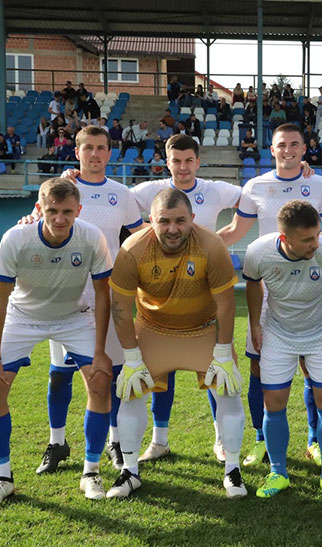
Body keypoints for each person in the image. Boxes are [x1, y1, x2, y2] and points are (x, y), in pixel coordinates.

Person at [0, 178, 114, 509]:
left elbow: (102, 294)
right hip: (22, 317)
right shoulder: (16, 239)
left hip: (73, 316)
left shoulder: (91, 237)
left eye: (67, 211)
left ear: (78, 210)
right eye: (51, 210)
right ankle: (3, 478)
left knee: (99, 381)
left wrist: (99, 353)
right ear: (39, 209)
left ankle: (91, 472)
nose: (59, 218)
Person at [107, 188, 246, 499]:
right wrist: (130, 357)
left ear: (193, 219)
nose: (172, 229)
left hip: (203, 330)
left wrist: (223, 352)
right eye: (164, 221)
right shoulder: (132, 249)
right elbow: (120, 307)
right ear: (150, 220)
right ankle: (129, 471)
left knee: (230, 390)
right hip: (153, 330)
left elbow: (225, 304)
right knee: (131, 393)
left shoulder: (212, 246)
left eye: (180, 221)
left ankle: (233, 469)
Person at [22, 126, 145, 476]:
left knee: (113, 372)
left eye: (101, 148)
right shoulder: (62, 190)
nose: (94, 154)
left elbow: (140, 236)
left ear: (110, 153)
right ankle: (57, 442)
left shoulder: (122, 194)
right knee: (61, 374)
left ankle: (116, 441)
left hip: (110, 296)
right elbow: (37, 222)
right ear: (77, 152)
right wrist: (28, 220)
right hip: (65, 298)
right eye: (88, 147)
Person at [218, 123, 322, 468]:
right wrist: (201, 244)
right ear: (272, 149)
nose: (288, 150)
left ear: (304, 149)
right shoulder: (256, 186)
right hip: (267, 289)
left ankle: (314, 439)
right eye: (281, 144)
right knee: (259, 367)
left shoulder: (319, 185)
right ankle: (261, 438)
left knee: (311, 368)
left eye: (294, 144)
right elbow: (235, 230)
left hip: (310, 290)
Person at [129, 134, 242, 463]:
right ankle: (159, 439)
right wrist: (72, 176)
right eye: (176, 161)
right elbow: (115, 200)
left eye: (188, 160)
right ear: (167, 162)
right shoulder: (151, 192)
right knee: (162, 373)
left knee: (214, 369)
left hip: (204, 296)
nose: (183, 167)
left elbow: (253, 200)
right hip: (161, 296)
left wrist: (221, 240)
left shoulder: (215, 190)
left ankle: (221, 439)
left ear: (198, 161)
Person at [243, 200, 322, 499]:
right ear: (285, 239)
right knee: (275, 401)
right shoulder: (259, 252)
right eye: (307, 239)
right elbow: (253, 284)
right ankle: (278, 473)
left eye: (317, 235)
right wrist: (255, 323)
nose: (315, 243)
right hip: (278, 333)